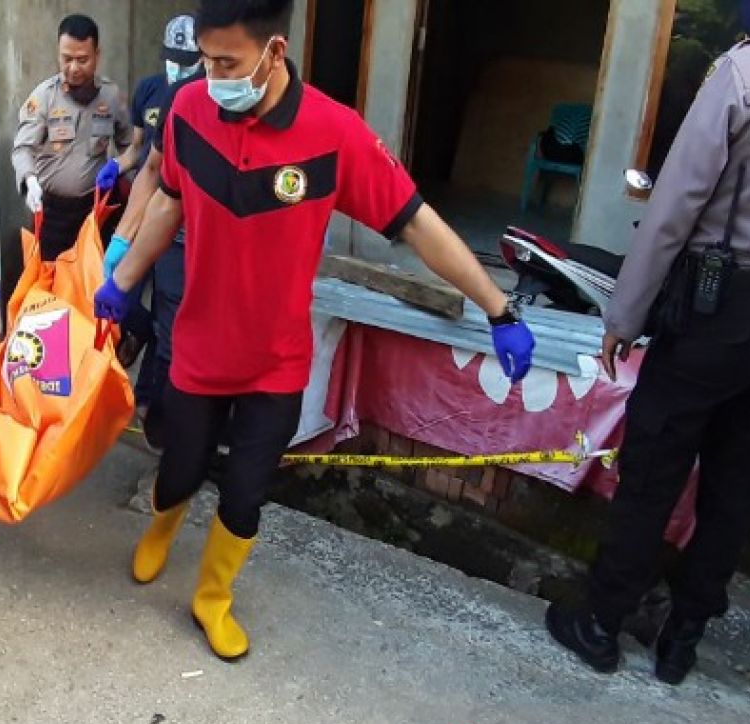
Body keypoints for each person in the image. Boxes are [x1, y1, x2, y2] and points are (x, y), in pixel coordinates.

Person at [95, 0, 535, 662]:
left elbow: (418, 224)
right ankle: (163, 523)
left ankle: (212, 598)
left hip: (276, 362)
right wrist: (121, 280)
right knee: (179, 469)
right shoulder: (190, 109)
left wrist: (498, 308)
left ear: (274, 51)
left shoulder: (335, 133)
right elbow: (169, 201)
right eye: (206, 61)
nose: (212, 78)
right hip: (199, 350)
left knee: (245, 496)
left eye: (226, 63)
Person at [546, 24, 750, 686]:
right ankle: (682, 640)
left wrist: (626, 311)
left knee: (654, 471)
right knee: (739, 488)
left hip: (719, 308)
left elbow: (675, 205)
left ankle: (601, 622)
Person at [105, 14, 203, 448]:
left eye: (186, 60)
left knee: (168, 315)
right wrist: (117, 166)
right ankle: (132, 363)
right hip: (141, 206)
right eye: (172, 60)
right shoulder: (150, 88)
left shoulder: (201, 97)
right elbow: (143, 152)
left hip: (173, 223)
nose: (177, 69)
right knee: (121, 295)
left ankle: (149, 400)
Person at [12, 13, 136, 260]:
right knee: (52, 287)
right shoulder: (44, 96)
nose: (73, 68)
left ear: (97, 56)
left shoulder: (111, 97)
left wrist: (122, 173)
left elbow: (131, 144)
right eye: (66, 59)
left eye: (82, 60)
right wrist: (29, 180)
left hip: (95, 211)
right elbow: (23, 148)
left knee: (91, 285)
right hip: (52, 212)